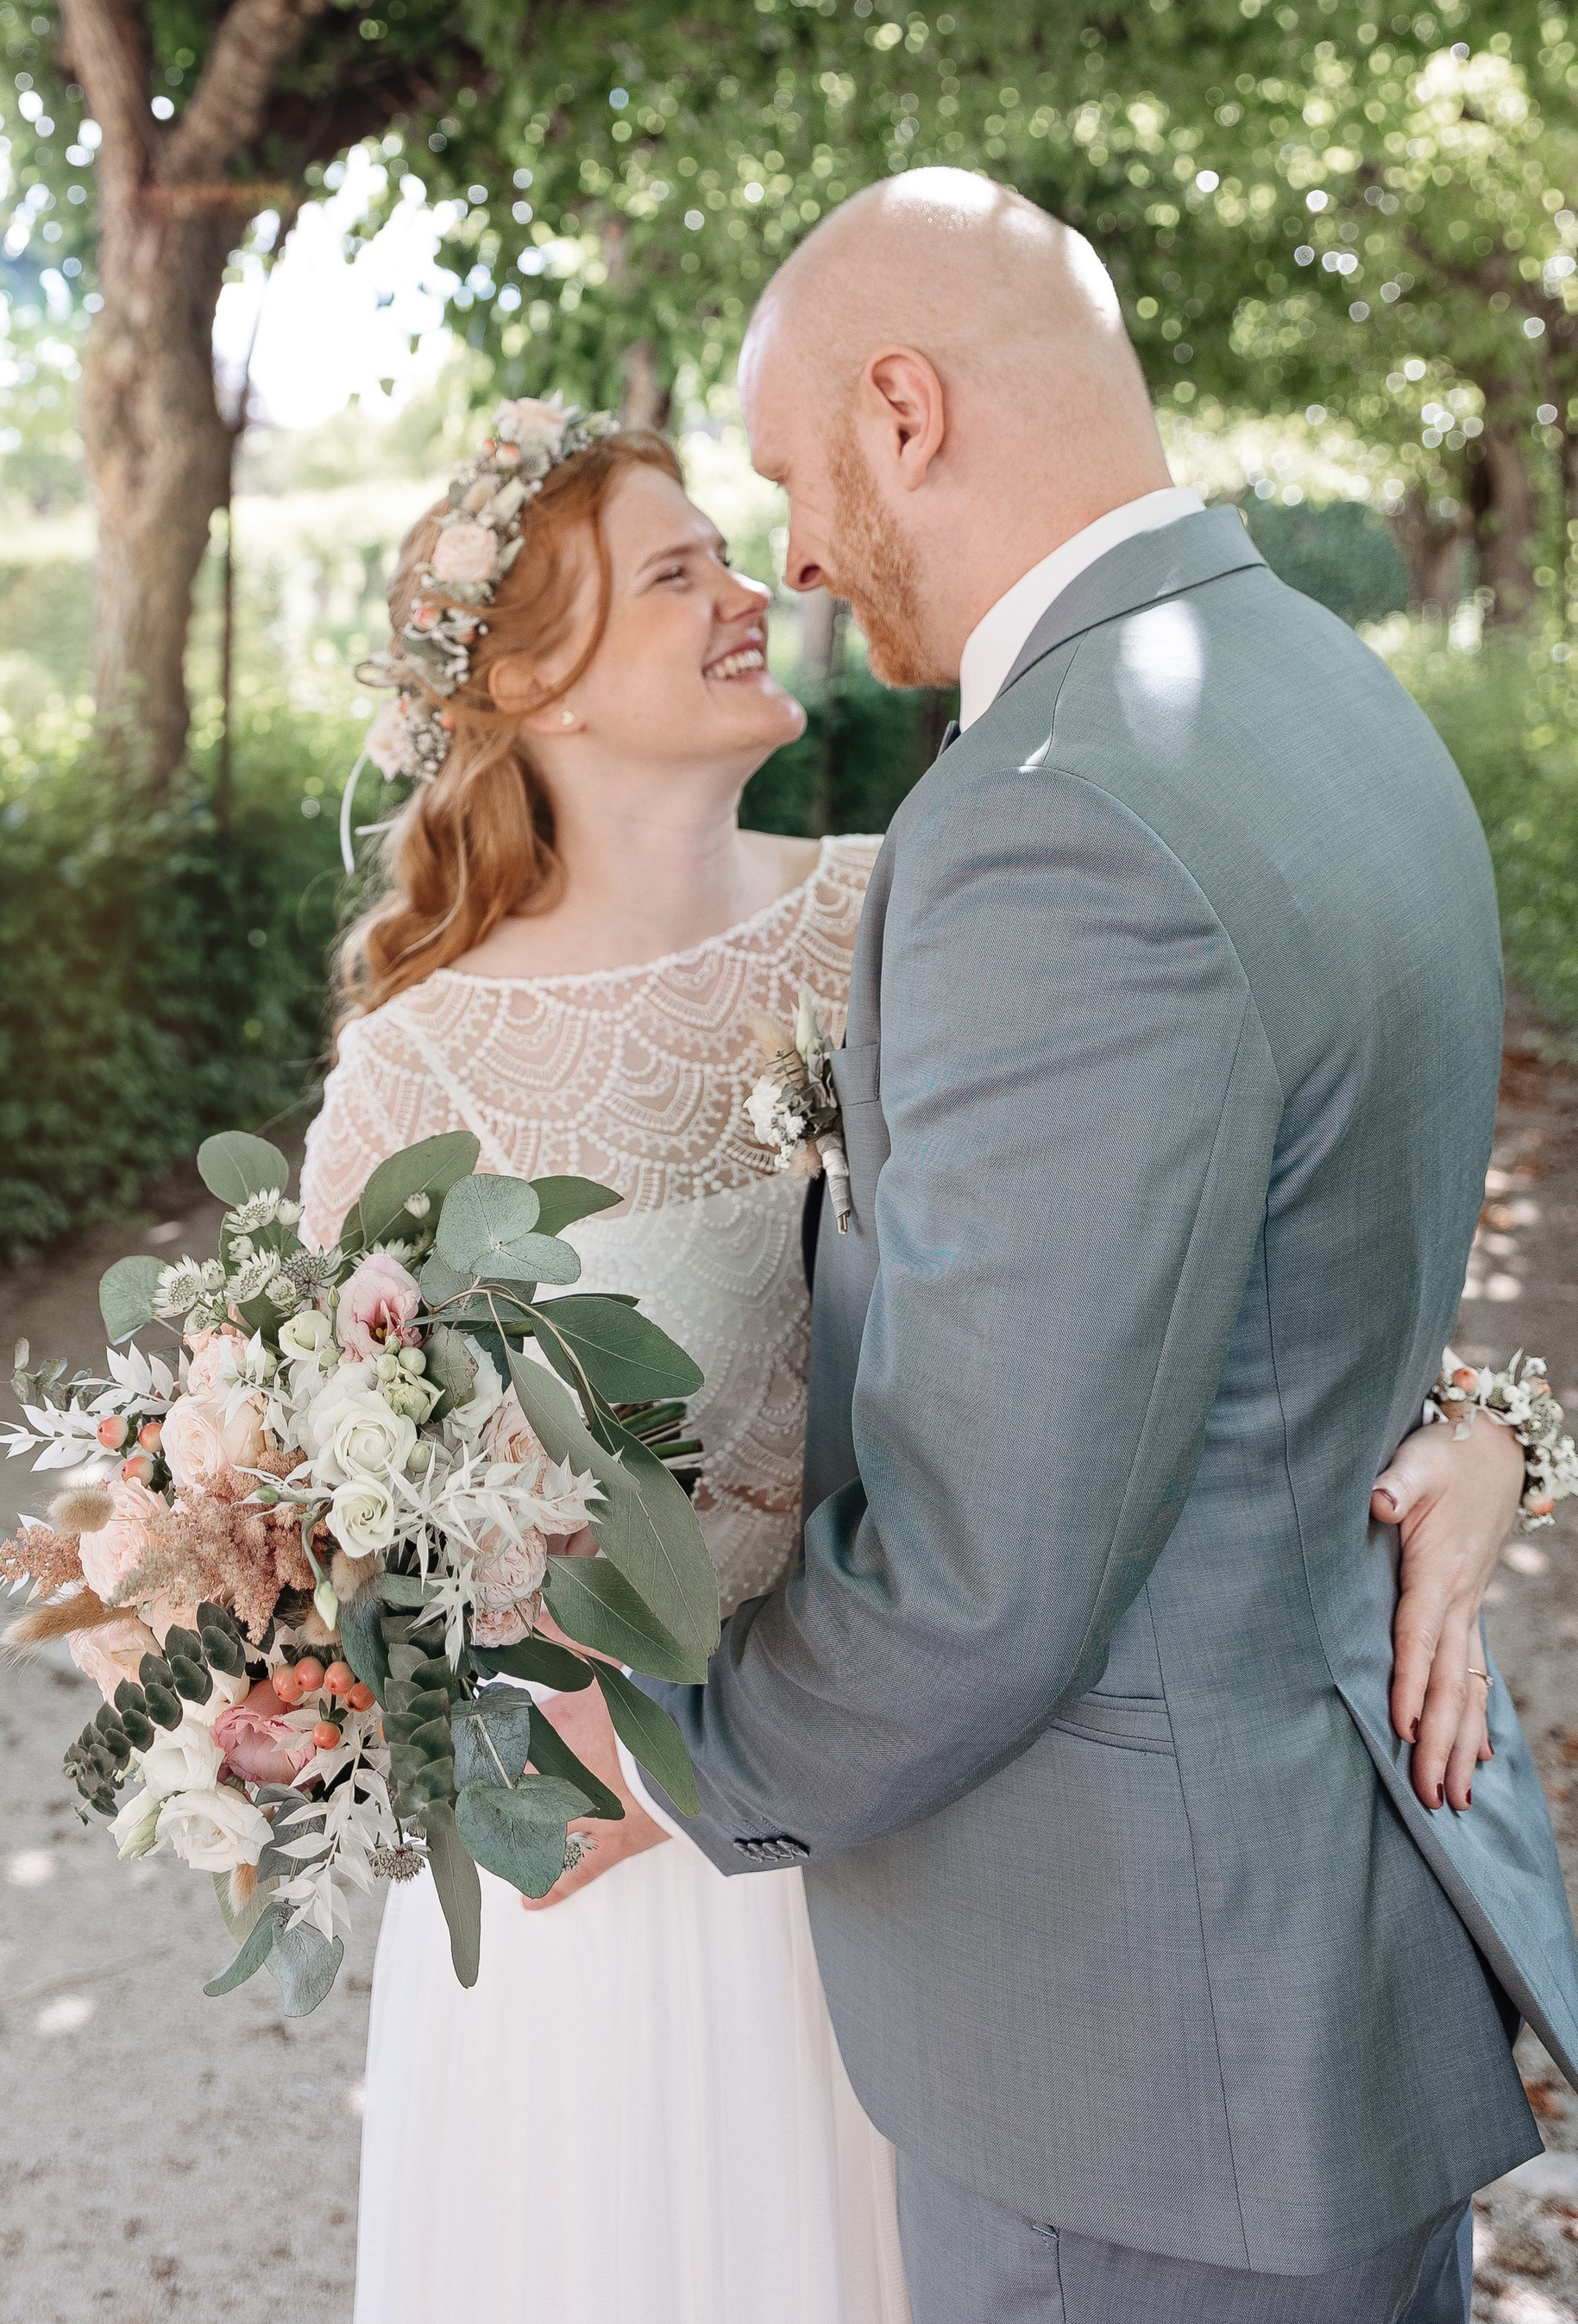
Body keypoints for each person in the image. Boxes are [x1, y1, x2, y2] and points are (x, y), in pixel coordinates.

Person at [303, 374, 1528, 2324]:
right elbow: (332, 1512)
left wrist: (1480, 1424)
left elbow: (1211, 1278)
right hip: (623, 1851)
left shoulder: (920, 897)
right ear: (526, 686)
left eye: (727, 545)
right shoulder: (417, 1076)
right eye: (669, 572)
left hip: (946, 1827)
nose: (746, 588)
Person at [646, 165, 1578, 2324]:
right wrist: (1497, 1426)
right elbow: (1285, 1280)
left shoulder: (1051, 810)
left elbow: (981, 1575)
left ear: (903, 411)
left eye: (785, 473)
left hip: (1143, 2066)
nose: (781, 554)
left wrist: (667, 1747)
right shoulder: (1315, 682)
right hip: (1298, 1965)